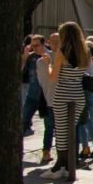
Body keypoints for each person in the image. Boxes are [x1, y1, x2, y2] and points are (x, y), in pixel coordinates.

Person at [41, 22, 90, 179]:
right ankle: (66, 166)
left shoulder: (62, 53)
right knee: (70, 131)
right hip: (78, 95)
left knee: (61, 131)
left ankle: (60, 167)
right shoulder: (86, 52)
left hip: (63, 95)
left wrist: (48, 64)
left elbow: (52, 77)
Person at [31, 35, 56, 164]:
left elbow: (48, 80)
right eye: (32, 45)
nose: (33, 48)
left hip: (54, 98)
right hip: (47, 98)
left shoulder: (53, 57)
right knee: (49, 126)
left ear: (43, 44)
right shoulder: (39, 61)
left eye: (36, 45)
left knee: (54, 127)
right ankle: (46, 152)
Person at [77, 41, 93, 159]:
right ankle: (87, 147)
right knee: (85, 121)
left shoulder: (88, 63)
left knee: (86, 121)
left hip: (87, 93)